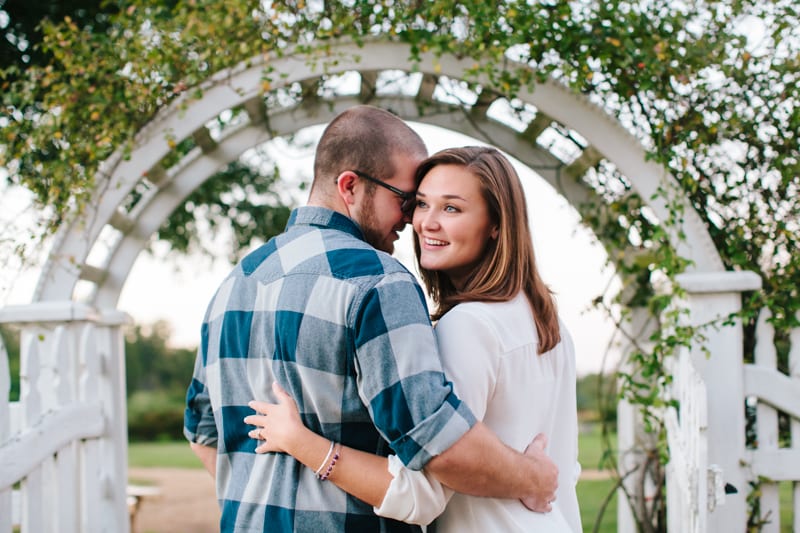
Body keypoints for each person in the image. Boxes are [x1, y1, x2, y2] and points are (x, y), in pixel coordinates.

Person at [183, 106, 559, 532]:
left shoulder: (235, 283)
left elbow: (202, 433)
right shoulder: (378, 281)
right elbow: (440, 447)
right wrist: (536, 477)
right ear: (350, 186)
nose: (411, 219)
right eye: (406, 200)